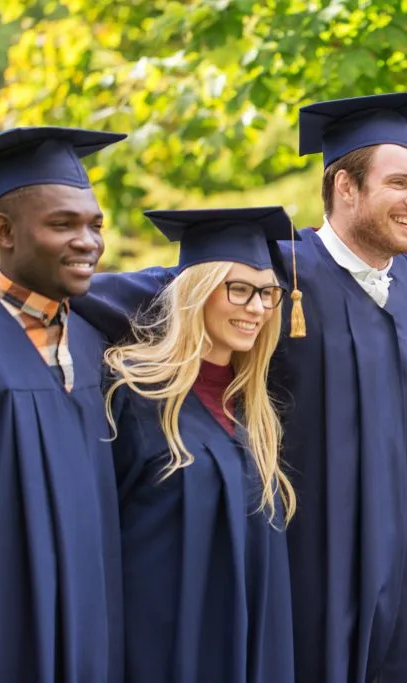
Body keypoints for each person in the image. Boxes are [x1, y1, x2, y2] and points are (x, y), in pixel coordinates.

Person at [65, 92, 407, 683]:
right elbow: (169, 291)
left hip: (406, 576)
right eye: (400, 183)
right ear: (345, 187)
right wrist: (4, 283)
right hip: (309, 570)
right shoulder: (280, 271)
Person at [0, 127, 125, 683]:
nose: (88, 242)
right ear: (3, 231)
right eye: (63, 224)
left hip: (90, 641)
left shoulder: (92, 344)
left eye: (95, 225)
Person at [102, 207, 297, 683]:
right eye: (239, 289)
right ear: (196, 291)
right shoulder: (135, 392)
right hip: (159, 652)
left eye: (267, 293)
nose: (257, 308)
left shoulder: (253, 410)